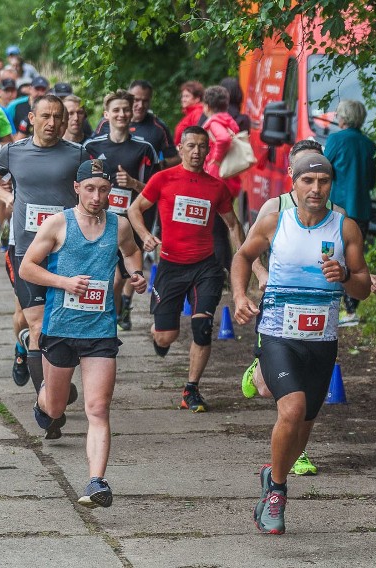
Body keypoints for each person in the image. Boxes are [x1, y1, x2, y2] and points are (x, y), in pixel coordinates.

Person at [231, 154, 371, 535]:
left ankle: (271, 472)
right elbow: (243, 255)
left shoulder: (345, 229)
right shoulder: (277, 220)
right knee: (291, 410)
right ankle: (277, 491)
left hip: (322, 340)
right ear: (293, 182)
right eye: (308, 180)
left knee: (305, 422)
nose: (315, 188)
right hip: (278, 334)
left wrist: (343, 275)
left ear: (331, 185)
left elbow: (362, 285)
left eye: (323, 182)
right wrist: (240, 296)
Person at [19, 159, 147, 507]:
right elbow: (26, 267)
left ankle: (96, 481)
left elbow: (132, 252)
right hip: (60, 327)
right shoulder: (58, 224)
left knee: (98, 408)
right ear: (76, 188)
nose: (96, 196)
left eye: (103, 190)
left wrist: (136, 274)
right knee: (56, 408)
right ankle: (42, 389)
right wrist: (64, 282)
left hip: (100, 330)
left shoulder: (118, 226)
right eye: (90, 188)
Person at [0, 94, 87, 436]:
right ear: (33, 119)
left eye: (59, 117)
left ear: (66, 122)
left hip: (67, 253)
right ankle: (48, 409)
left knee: (63, 329)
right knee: (38, 325)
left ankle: (53, 380)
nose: (53, 123)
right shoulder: (13, 152)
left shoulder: (78, 154)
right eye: (46, 116)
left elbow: (96, 190)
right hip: (25, 253)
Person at [127, 125, 253, 413]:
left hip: (205, 266)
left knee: (202, 326)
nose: (196, 152)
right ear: (181, 149)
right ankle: (158, 332)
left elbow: (232, 224)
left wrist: (246, 257)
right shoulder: (163, 179)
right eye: (191, 146)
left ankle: (191, 389)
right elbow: (135, 209)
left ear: (208, 152)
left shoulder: (215, 187)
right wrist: (145, 235)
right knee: (165, 336)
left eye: (201, 146)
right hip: (171, 266)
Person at [83, 89, 157, 331]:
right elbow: (80, 186)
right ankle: (108, 321)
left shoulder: (144, 148)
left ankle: (111, 318)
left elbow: (155, 191)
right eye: (116, 110)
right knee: (111, 278)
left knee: (120, 278)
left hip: (130, 221)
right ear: (106, 114)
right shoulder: (91, 147)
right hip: (99, 220)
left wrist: (134, 184)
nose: (122, 114)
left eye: (126, 109)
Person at [324, 99, 376, 326]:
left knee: (330, 252)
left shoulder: (335, 139)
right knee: (355, 259)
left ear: (343, 117)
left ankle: (329, 303)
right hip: (362, 209)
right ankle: (352, 310)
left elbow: (324, 171)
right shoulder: (369, 144)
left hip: (338, 209)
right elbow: (372, 181)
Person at [201, 85, 241, 273]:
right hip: (229, 178)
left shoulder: (215, 122)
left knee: (215, 229)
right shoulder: (229, 120)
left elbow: (223, 139)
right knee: (223, 228)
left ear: (207, 105)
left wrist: (215, 159)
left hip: (216, 178)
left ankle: (221, 272)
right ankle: (225, 268)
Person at [95, 80, 179, 168]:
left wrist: (159, 165)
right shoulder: (105, 122)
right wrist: (97, 173)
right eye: (136, 100)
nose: (141, 105)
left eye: (145, 101)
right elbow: (92, 151)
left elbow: (175, 158)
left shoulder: (158, 127)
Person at [173, 81, 205, 145]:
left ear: (197, 99)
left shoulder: (197, 113)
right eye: (183, 96)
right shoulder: (190, 114)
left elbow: (198, 136)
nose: (183, 99)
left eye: (187, 96)